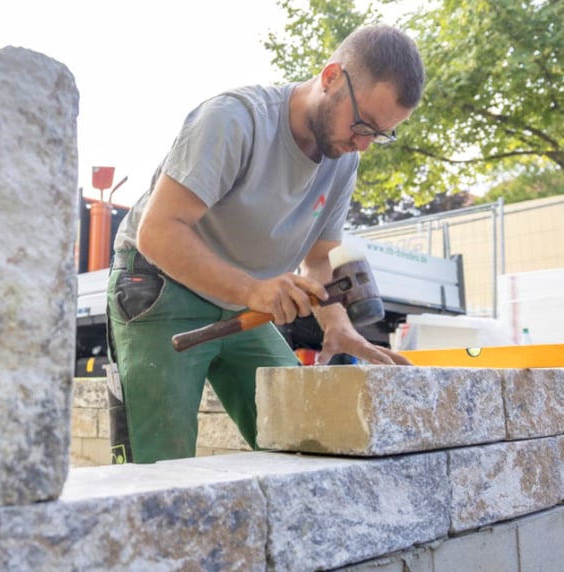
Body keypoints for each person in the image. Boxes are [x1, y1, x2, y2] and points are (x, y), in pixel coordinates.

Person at [106, 24, 421, 464]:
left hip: (241, 305)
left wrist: (337, 323)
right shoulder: (234, 119)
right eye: (363, 123)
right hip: (161, 287)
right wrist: (253, 290)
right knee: (159, 464)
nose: (364, 145)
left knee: (303, 439)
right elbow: (159, 232)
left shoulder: (343, 160)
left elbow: (319, 260)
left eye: (381, 134)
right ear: (331, 77)